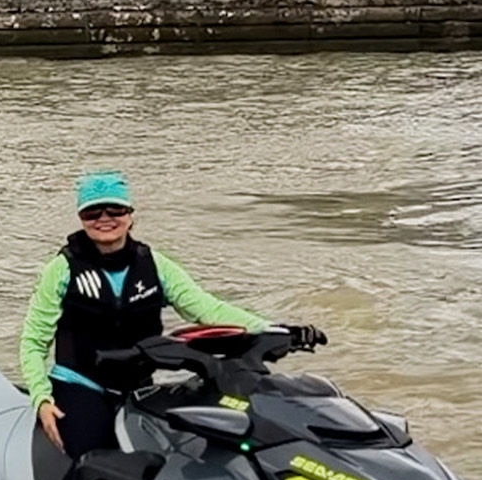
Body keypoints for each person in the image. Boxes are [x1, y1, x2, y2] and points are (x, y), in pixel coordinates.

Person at [18, 171, 325, 461]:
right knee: (96, 465)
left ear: (130, 214)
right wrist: (42, 400)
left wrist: (273, 330)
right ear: (81, 219)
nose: (105, 220)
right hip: (80, 385)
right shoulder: (62, 269)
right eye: (92, 213)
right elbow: (33, 342)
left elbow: (207, 309)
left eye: (114, 210)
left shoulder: (155, 265)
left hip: (139, 386)